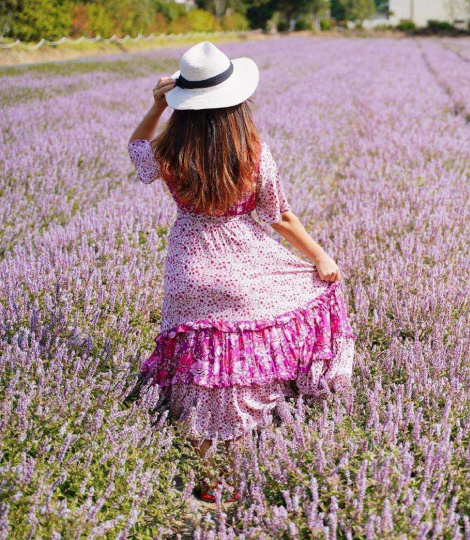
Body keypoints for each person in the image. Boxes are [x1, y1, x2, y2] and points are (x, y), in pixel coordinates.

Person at [127, 42, 355, 503]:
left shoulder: (170, 150)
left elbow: (136, 151)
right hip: (242, 260)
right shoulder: (252, 152)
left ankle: (205, 477)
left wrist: (155, 105)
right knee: (242, 363)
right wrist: (321, 258)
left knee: (202, 368)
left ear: (183, 101)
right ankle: (235, 471)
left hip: (189, 266)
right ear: (236, 102)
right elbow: (280, 217)